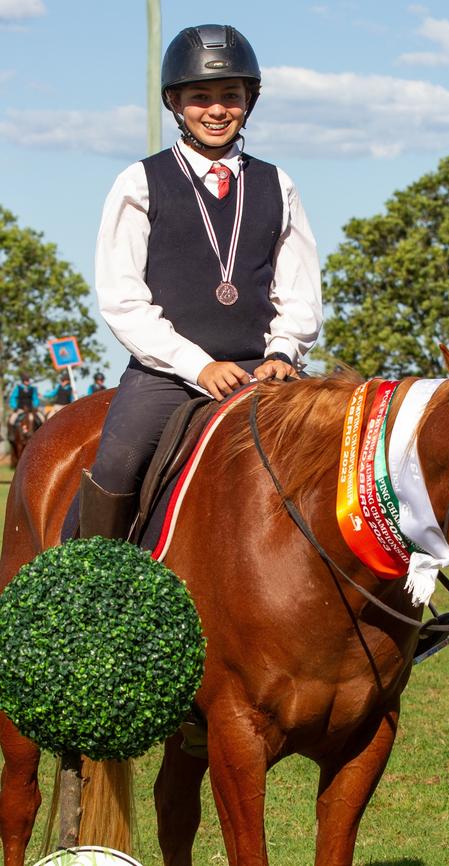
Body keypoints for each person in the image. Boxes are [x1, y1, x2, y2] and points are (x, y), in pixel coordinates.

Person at [74, 24, 322, 540]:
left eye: (230, 96)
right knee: (119, 461)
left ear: (248, 101)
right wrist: (199, 366)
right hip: (165, 373)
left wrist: (282, 353)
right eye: (200, 97)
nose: (216, 109)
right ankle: (91, 580)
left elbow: (297, 290)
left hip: (265, 370)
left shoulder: (279, 184)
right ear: (175, 103)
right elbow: (122, 299)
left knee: (343, 452)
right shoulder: (140, 181)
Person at [7, 373, 44, 439]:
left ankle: (41, 435)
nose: (28, 381)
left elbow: (35, 398)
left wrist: (35, 405)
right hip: (20, 409)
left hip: (31, 409)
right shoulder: (18, 388)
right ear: (23, 381)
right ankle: (11, 435)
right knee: (11, 420)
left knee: (42, 419)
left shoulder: (33, 389)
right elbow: (13, 398)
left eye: (28, 380)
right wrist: (14, 406)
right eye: (26, 380)